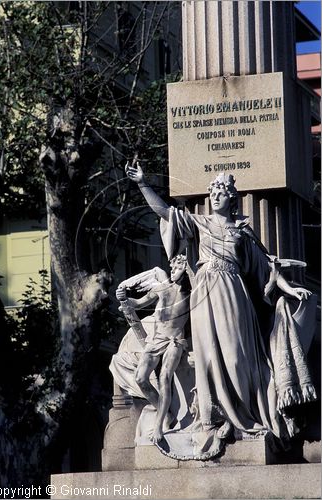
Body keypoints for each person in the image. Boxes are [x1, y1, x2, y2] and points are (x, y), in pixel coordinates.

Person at [125, 161, 317, 458]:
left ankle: (244, 412)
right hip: (204, 291)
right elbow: (164, 212)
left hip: (233, 292)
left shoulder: (242, 230)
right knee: (209, 357)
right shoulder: (198, 223)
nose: (215, 195)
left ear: (232, 198)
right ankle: (215, 417)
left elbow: (268, 267)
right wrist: (142, 183)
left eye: (222, 191)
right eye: (213, 191)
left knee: (237, 356)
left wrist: (291, 290)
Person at [115, 255, 190, 443]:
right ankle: (164, 413)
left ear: (186, 270)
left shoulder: (191, 294)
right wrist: (124, 299)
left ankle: (160, 426)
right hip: (156, 340)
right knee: (140, 378)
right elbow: (138, 303)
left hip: (175, 341)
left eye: (178, 267)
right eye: (172, 267)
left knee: (165, 377)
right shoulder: (162, 288)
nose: (173, 270)